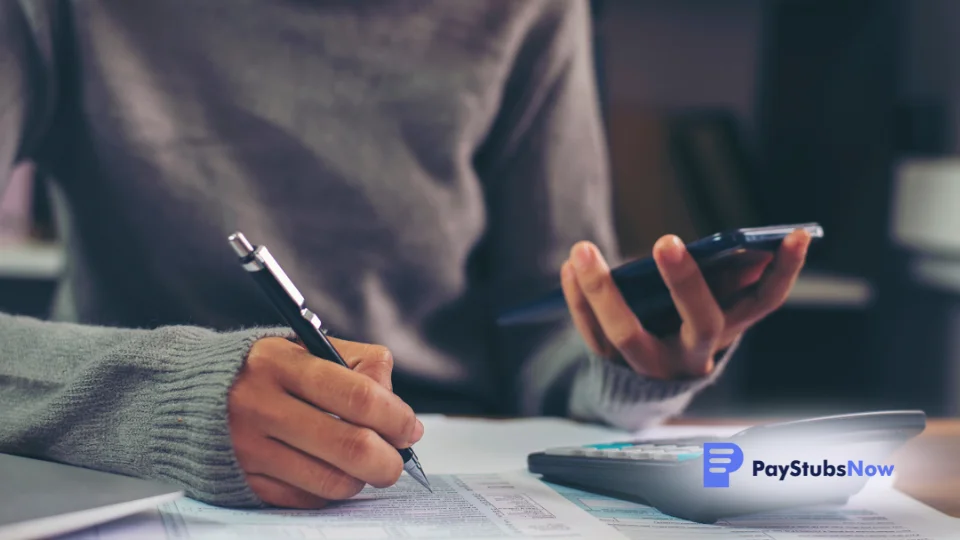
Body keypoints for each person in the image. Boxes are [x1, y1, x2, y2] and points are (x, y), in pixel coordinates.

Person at [0, 0, 810, 509]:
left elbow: (539, 322)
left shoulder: (532, 11)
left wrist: (632, 366)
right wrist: (161, 397)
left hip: (455, 463)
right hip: (125, 477)